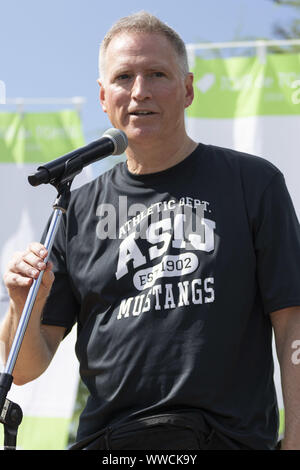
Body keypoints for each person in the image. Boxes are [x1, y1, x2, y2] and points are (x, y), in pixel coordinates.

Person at [1, 11, 300, 451]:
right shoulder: (75, 208)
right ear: (104, 98)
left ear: (188, 89)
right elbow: (26, 368)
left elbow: (292, 321)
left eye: (157, 73)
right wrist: (24, 303)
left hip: (225, 440)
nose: (140, 91)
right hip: (109, 445)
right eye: (124, 77)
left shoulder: (252, 182)